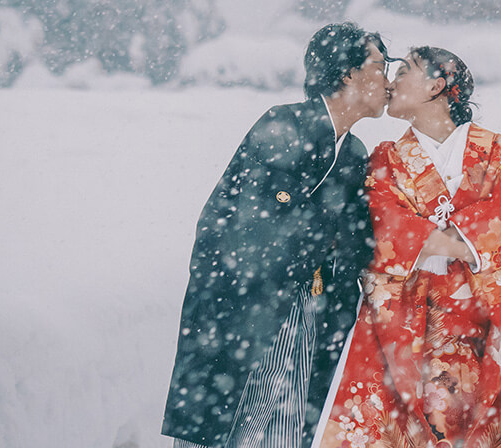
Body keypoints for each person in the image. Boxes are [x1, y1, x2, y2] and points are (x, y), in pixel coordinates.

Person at [314, 47, 501, 448]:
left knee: (492, 423)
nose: (391, 81)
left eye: (404, 71)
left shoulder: (492, 149)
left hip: (482, 316)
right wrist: (464, 242)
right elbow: (388, 231)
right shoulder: (387, 159)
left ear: (437, 85)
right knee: (418, 422)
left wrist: (436, 240)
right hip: (415, 319)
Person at [163, 23, 390, 448]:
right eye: (381, 65)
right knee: (227, 428)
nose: (388, 79)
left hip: (303, 308)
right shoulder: (285, 126)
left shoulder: (354, 152)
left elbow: (360, 240)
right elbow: (239, 224)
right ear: (348, 74)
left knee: (281, 429)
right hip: (244, 305)